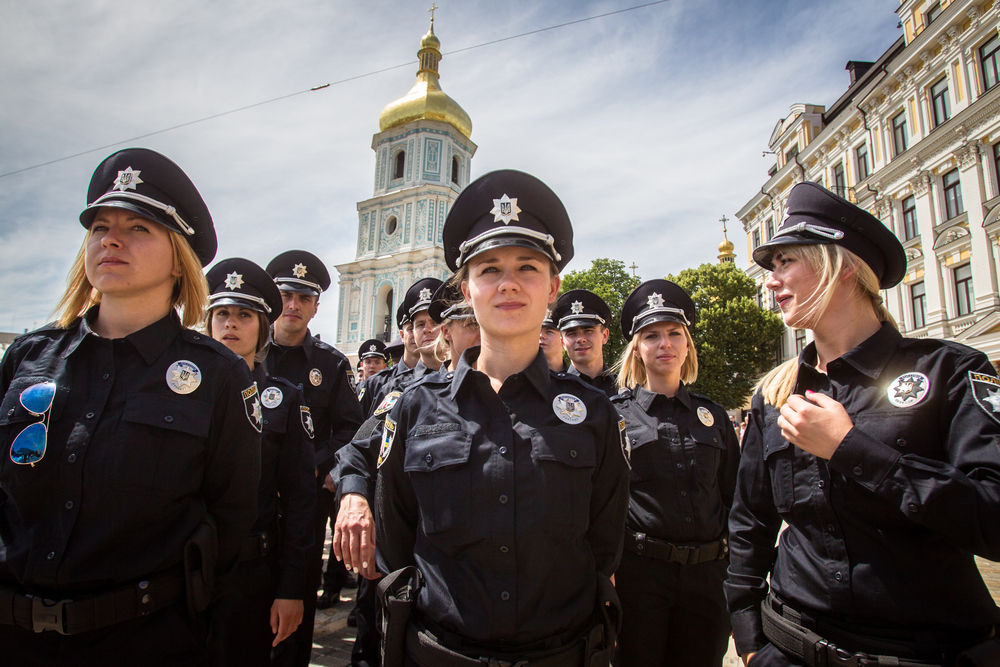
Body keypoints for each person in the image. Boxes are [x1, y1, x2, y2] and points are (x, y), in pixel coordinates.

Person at [0, 148, 259, 665]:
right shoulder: (29, 357)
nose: (111, 238)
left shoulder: (218, 376)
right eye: (100, 225)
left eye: (138, 227)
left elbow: (231, 531)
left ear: (178, 259)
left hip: (145, 641)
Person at [726, 182, 1000, 666]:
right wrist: (749, 641)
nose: (771, 280)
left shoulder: (950, 371)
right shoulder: (775, 394)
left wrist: (851, 448)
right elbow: (751, 522)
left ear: (845, 266)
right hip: (791, 646)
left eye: (786, 261)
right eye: (771, 267)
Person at [373, 169, 629, 667]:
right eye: (488, 269)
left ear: (553, 287)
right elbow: (396, 542)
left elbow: (604, 543)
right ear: (465, 290)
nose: (508, 284)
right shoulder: (413, 409)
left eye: (527, 267)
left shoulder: (593, 414)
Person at [611, 279, 740, 667]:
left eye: (674, 334)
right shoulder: (613, 415)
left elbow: (735, 497)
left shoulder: (713, 415)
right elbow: (602, 503)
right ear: (638, 349)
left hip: (708, 579)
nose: (664, 343)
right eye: (652, 336)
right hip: (640, 578)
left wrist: (741, 580)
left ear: (687, 345)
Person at [204, 258, 316, 666]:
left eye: (244, 315)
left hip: (250, 573)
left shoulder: (284, 399)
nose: (231, 324)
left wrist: (292, 587)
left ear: (262, 327)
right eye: (222, 314)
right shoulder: (178, 392)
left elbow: (302, 500)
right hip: (178, 575)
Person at [264, 250, 363, 667]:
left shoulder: (331, 364)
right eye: (286, 295)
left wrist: (314, 466)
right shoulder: (241, 355)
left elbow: (348, 430)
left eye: (303, 299)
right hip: (247, 503)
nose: (293, 305)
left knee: (294, 622)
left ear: (316, 307)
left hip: (303, 506)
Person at [552, 289, 618, 397]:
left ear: (605, 336)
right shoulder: (552, 393)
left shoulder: (627, 389)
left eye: (588, 331)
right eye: (571, 333)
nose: (581, 339)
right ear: (562, 342)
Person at [428, 280, 480, 372]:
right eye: (472, 324)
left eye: (486, 326)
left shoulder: (508, 384)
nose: (483, 335)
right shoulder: (427, 386)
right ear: (446, 332)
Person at [539, 307, 566, 372]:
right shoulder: (521, 379)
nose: (541, 335)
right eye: (537, 331)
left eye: (549, 332)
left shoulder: (576, 379)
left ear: (563, 339)